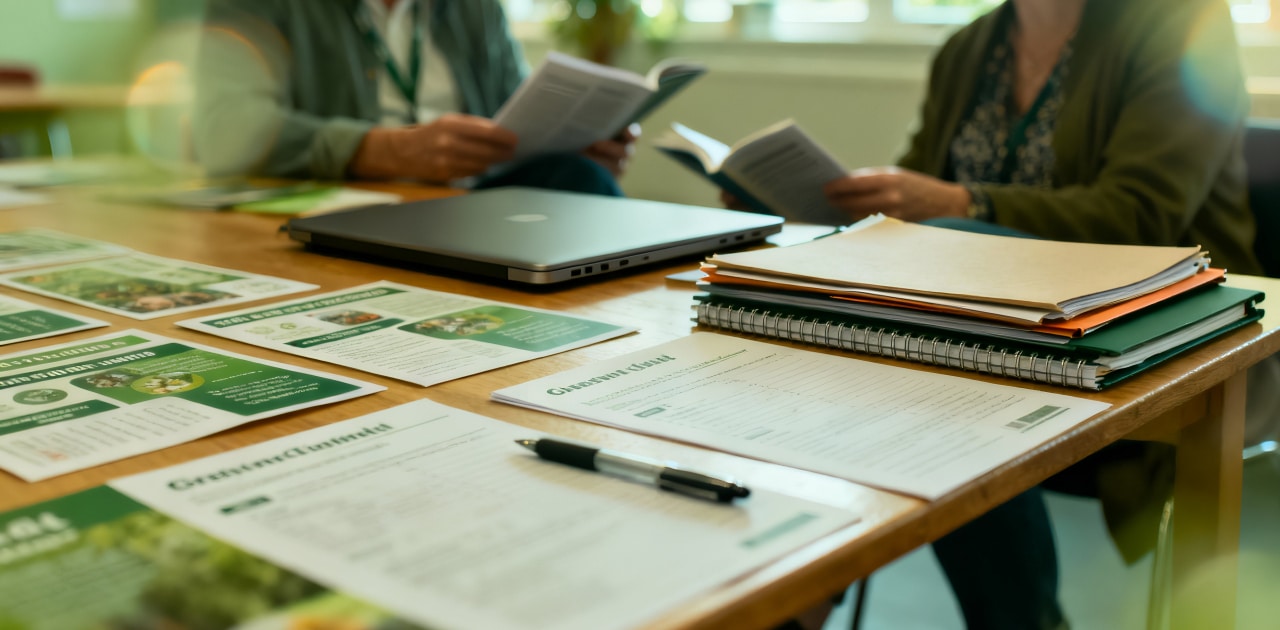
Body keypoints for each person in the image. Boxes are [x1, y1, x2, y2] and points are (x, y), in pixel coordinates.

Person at [728, 1, 1263, 628]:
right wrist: (817, 206)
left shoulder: (1181, 21)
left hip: (1147, 331)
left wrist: (960, 201)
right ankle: (800, 599)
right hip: (993, 339)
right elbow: (913, 220)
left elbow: (1140, 215)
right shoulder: (972, 46)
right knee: (867, 352)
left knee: (925, 377)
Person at [193, 0, 636, 196]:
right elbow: (225, 126)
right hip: (352, 200)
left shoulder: (474, 8)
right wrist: (384, 150)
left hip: (472, 198)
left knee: (581, 178)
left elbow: (515, 114)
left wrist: (577, 140)